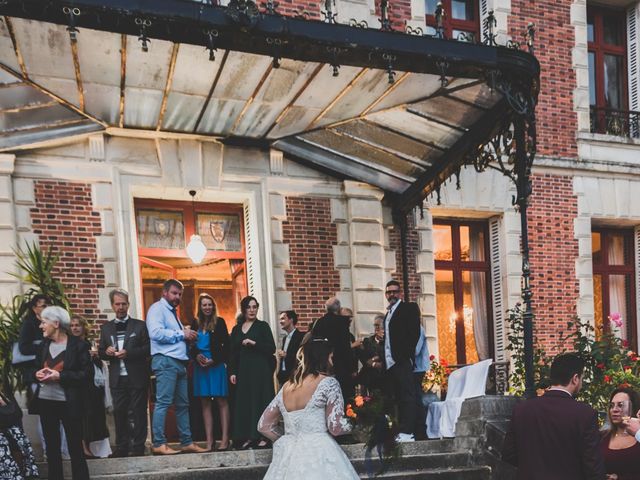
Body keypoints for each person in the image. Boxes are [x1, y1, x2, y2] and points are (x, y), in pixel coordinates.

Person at [257, 335, 358, 480]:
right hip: (319, 451)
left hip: (288, 455)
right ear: (322, 358)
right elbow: (335, 427)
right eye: (330, 357)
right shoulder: (329, 383)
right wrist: (357, 422)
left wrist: (288, 439)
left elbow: (263, 425)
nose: (332, 361)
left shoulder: (287, 386)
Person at [502, 352, 605, 480]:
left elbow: (508, 454)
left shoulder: (521, 410)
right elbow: (593, 466)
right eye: (582, 378)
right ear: (575, 378)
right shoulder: (585, 414)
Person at [146, 279, 207, 455]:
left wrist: (188, 336)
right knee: (163, 403)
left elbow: (175, 336)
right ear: (164, 292)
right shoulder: (157, 309)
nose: (177, 297)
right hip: (166, 362)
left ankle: (186, 442)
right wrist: (182, 333)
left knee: (183, 405)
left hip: (179, 363)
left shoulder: (173, 313)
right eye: (174, 293)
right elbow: (155, 333)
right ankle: (158, 443)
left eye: (179, 294)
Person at [33, 306, 91, 480]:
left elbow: (86, 375)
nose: (41, 326)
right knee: (51, 448)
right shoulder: (43, 345)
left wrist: (60, 375)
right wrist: (37, 374)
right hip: (45, 402)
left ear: (56, 323)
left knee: (75, 447)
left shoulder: (79, 345)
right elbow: (33, 369)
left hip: (69, 403)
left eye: (44, 322)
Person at [98, 288, 150, 457]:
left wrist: (129, 353)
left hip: (136, 376)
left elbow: (148, 349)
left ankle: (138, 447)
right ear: (112, 306)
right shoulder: (106, 328)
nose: (120, 307)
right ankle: (121, 447)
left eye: (123, 304)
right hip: (117, 378)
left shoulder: (140, 325)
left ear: (128, 304)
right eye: (117, 304)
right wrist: (107, 351)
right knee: (119, 413)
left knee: (138, 412)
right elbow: (100, 351)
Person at [229, 296, 276, 450]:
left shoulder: (262, 326)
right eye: (249, 307)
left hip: (260, 370)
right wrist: (233, 372)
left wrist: (254, 343)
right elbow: (232, 353)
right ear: (244, 309)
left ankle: (264, 436)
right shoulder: (236, 329)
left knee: (261, 401)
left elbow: (271, 348)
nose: (252, 310)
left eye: (255, 307)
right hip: (243, 371)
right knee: (246, 403)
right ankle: (248, 436)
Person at [191, 293, 231, 452]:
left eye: (209, 304)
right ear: (200, 307)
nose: (207, 307)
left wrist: (214, 359)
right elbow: (191, 345)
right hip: (200, 367)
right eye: (204, 305)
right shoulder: (195, 323)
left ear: (213, 306)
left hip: (216, 365)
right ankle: (209, 441)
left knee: (222, 401)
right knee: (205, 403)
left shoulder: (219, 322)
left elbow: (226, 346)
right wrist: (196, 355)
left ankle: (225, 440)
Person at [382, 280, 421, 442]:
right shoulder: (387, 314)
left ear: (400, 293)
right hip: (390, 363)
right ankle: (399, 430)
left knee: (408, 396)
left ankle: (409, 431)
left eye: (395, 291)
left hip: (402, 360)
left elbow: (414, 334)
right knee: (397, 397)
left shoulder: (409, 308)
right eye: (389, 292)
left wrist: (406, 355)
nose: (392, 295)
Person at [70, 316, 111, 459]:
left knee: (94, 417)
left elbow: (98, 365)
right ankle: (84, 448)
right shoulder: (70, 345)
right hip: (78, 385)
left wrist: (95, 357)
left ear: (83, 328)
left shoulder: (89, 344)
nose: (75, 328)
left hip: (92, 386)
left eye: (77, 325)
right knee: (83, 417)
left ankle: (97, 448)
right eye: (72, 325)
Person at [312, 297, 353, 400]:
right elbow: (345, 346)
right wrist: (351, 368)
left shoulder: (319, 322)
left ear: (326, 309)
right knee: (343, 396)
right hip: (341, 365)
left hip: (322, 366)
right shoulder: (342, 322)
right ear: (338, 309)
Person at [599, 387, 640, 480]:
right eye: (612, 405)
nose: (614, 409)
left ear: (633, 407)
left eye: (620, 405)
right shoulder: (601, 436)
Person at [0, 389, 38, 480]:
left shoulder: (4, 390)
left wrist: (4, 404)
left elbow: (17, 414)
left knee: (18, 438)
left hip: (8, 430)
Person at [355, 314, 385, 395]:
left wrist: (374, 359)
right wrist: (374, 362)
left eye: (378, 325)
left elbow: (386, 356)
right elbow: (364, 358)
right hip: (369, 376)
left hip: (384, 377)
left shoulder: (388, 342)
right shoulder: (367, 341)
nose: (376, 328)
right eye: (375, 325)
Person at [276, 310, 304, 386]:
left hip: (294, 377)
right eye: (280, 319)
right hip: (283, 378)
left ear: (291, 320)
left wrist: (286, 355)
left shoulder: (300, 337)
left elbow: (302, 357)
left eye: (283, 318)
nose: (280, 322)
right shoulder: (285, 338)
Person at [413, 325, 430, 440]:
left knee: (416, 397)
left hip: (418, 368)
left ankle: (421, 430)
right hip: (415, 368)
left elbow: (415, 350)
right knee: (414, 397)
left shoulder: (418, 329)